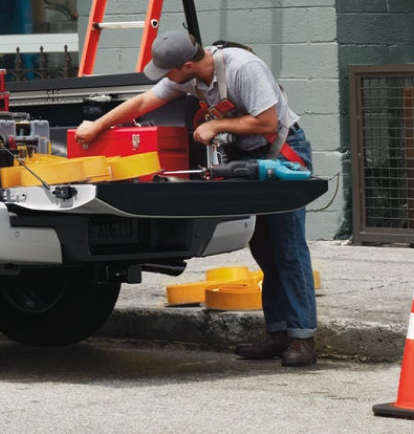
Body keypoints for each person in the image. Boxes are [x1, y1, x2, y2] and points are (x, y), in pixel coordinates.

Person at [74, 30, 319, 367]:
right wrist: (98, 125)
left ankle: (302, 337)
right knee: (264, 247)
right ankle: (278, 333)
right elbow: (146, 101)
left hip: (282, 154)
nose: (165, 80)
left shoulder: (243, 68)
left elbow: (268, 121)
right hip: (250, 158)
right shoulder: (190, 78)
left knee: (288, 247)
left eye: (168, 72)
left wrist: (216, 127)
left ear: (186, 65)